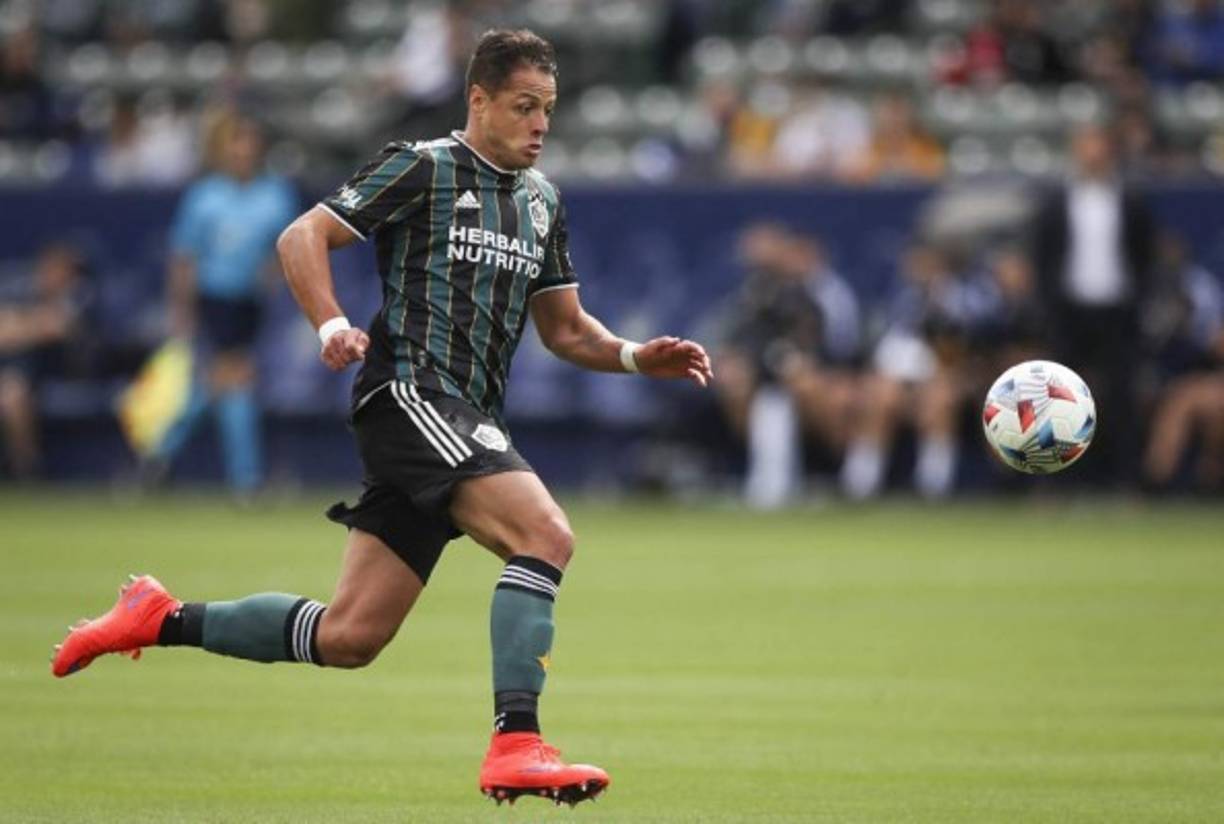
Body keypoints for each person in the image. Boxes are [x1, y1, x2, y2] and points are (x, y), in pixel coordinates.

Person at [51, 29, 713, 808]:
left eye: (549, 110)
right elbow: (303, 236)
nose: (541, 124)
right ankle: (516, 742)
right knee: (546, 535)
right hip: (410, 395)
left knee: (349, 636)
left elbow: (567, 331)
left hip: (461, 417)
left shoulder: (542, 202)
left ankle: (157, 617)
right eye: (524, 107)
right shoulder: (424, 166)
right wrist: (330, 324)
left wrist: (638, 356)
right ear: (479, 99)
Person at [144, 109, 296, 493]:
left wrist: (274, 276)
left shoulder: (275, 195)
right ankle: (246, 480)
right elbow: (184, 257)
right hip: (213, 301)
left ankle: (160, 454)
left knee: (216, 386)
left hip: (252, 304)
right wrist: (182, 310)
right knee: (237, 381)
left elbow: (290, 250)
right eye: (236, 142)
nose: (243, 151)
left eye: (249, 143)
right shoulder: (205, 196)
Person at [1030, 123, 1156, 488]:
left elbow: (1143, 257)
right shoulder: (1057, 201)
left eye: (1100, 145)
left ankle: (1127, 484)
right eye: (1087, 145)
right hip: (1068, 313)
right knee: (1056, 403)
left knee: (1122, 400)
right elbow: (1043, 257)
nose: (1094, 154)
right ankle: (1053, 485)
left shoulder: (1128, 200)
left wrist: (1139, 301)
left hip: (1117, 312)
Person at [714, 224, 861, 507]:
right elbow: (747, 334)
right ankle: (767, 476)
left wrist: (808, 366)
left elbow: (842, 348)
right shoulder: (764, 289)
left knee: (808, 386)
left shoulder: (829, 293)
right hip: (775, 374)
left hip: (835, 373)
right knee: (754, 388)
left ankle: (845, 477)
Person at [0, 243, 91, 479]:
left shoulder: (80, 296)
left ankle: (26, 468)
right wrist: (32, 325)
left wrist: (18, 324)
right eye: (53, 270)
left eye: (64, 272)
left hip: (55, 371)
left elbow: (56, 327)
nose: (57, 277)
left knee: (13, 394)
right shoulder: (18, 290)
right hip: (13, 368)